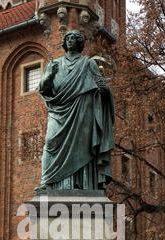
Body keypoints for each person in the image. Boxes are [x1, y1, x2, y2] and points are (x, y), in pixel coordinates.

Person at [37, 30, 115, 191]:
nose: (71, 40)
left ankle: (84, 184)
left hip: (83, 110)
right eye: (68, 38)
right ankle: (47, 181)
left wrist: (104, 90)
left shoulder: (88, 63)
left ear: (80, 43)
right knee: (50, 142)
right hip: (59, 111)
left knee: (83, 148)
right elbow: (44, 89)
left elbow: (102, 86)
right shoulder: (55, 64)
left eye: (75, 38)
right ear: (65, 43)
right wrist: (49, 75)